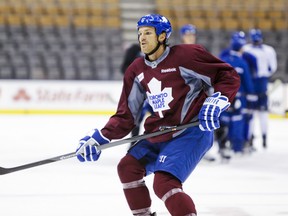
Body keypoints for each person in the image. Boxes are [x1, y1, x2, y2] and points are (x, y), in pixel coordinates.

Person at [75, 14, 240, 216]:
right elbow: (126, 115)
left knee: (164, 183)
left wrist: (218, 99)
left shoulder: (187, 56)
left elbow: (227, 75)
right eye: (140, 33)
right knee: (127, 167)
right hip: (158, 133)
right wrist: (100, 138)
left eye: (148, 33)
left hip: (191, 131)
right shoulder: (136, 70)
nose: (142, 38)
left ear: (162, 36)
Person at [217, 31, 257, 159]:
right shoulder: (242, 62)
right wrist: (252, 96)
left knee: (223, 121)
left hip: (223, 96)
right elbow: (248, 82)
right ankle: (237, 147)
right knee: (238, 120)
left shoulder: (223, 59)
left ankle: (222, 146)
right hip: (238, 97)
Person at [242, 28, 277, 149]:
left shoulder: (269, 50)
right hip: (250, 84)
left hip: (262, 83)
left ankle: (264, 138)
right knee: (250, 114)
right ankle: (250, 138)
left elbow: (272, 67)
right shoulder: (246, 49)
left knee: (262, 113)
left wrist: (263, 74)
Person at [121, 43, 153, 143]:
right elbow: (124, 68)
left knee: (161, 117)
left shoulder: (157, 48)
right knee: (136, 119)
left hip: (155, 88)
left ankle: (157, 143)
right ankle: (133, 143)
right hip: (140, 90)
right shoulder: (134, 49)